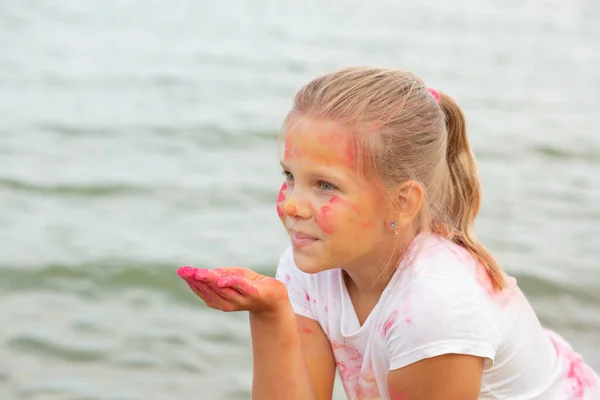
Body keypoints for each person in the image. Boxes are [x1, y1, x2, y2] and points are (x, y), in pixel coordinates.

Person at [177, 67, 600, 400]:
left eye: (325, 185)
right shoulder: (311, 265)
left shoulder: (435, 306)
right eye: (290, 176)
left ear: (402, 200)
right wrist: (271, 313)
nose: (290, 204)